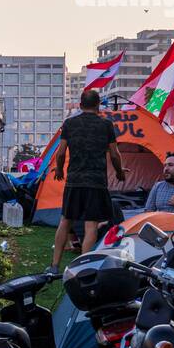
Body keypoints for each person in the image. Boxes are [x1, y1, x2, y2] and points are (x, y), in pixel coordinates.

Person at [50, 90, 124, 270]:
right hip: (96, 181)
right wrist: (119, 172)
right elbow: (114, 154)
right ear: (98, 105)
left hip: (74, 181)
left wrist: (60, 169)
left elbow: (61, 153)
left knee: (66, 220)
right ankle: (82, 268)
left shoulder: (70, 123)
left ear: (80, 105)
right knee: (91, 225)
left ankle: (54, 265)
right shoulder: (106, 125)